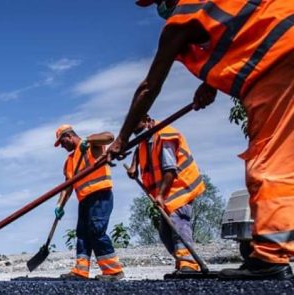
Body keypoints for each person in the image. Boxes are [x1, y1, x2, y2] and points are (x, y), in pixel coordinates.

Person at [108, 0, 294, 280]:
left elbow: (149, 88)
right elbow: (243, 29)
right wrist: (211, 84)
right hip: (284, 44)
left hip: (276, 60)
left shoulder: (182, 18)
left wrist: (121, 139)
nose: (161, 9)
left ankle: (271, 257)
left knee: (267, 163)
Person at [128, 115, 205, 274]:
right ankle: (182, 262)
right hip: (166, 192)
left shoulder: (164, 136)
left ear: (147, 120)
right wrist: (133, 165)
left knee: (178, 223)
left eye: (139, 129)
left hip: (180, 188)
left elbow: (170, 170)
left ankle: (189, 265)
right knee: (164, 232)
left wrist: (161, 196)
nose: (138, 134)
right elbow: (139, 149)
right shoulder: (146, 140)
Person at [54, 125, 125, 281]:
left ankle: (114, 271)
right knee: (82, 234)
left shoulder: (91, 144)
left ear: (68, 136)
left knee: (96, 230)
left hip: (101, 195)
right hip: (84, 200)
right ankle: (81, 271)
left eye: (62, 142)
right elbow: (67, 186)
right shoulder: (70, 161)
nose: (62, 146)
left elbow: (110, 136)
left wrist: (88, 139)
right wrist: (60, 205)